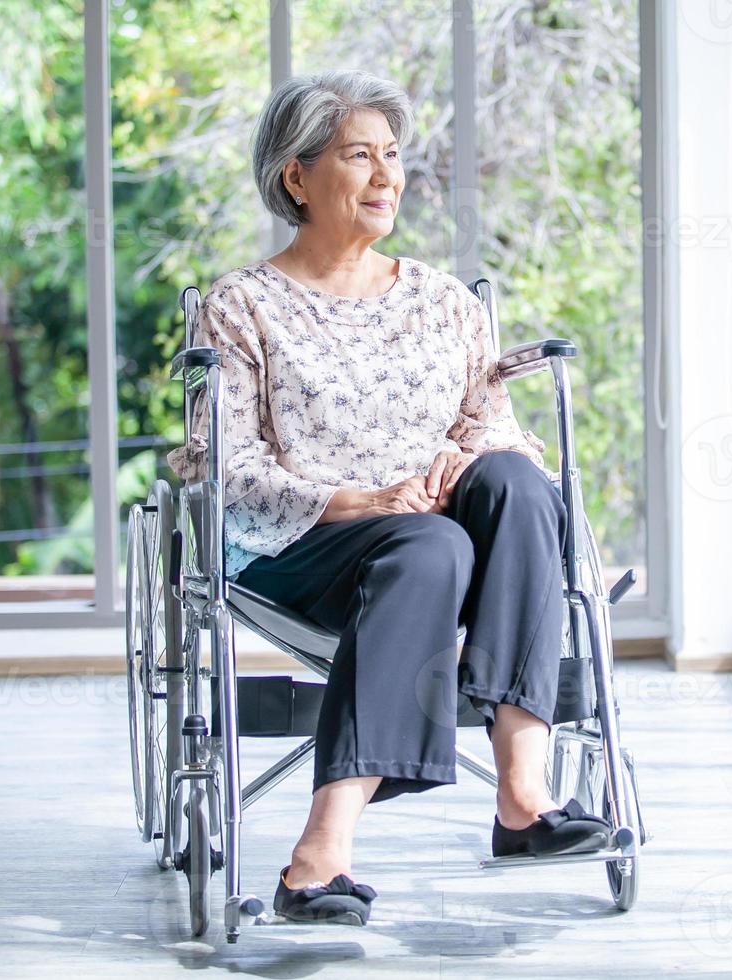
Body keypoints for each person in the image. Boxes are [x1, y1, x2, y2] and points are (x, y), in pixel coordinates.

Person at [165, 69, 609, 927]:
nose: (386, 178)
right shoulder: (243, 306)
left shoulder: (444, 301)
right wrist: (365, 499)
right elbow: (223, 468)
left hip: (435, 528)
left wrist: (453, 461)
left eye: (394, 157)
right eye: (359, 156)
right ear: (296, 177)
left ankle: (524, 794)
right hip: (303, 544)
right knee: (428, 546)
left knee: (519, 482)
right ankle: (321, 850)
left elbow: (497, 428)